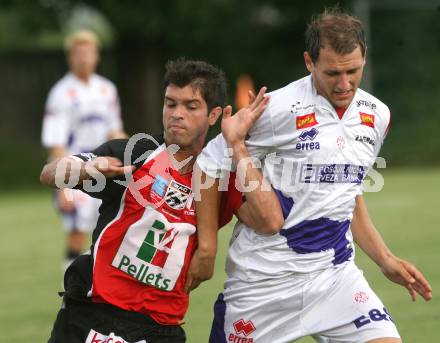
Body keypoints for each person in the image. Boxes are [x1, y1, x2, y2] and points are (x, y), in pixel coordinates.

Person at [194, 9, 433, 343]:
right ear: (309, 62)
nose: (344, 83)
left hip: (334, 276)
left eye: (353, 71)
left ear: (365, 58)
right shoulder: (275, 109)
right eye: (333, 73)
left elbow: (346, 195)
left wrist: (385, 259)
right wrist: (207, 246)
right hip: (264, 282)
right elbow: (208, 163)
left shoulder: (377, 116)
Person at [40, 58, 274, 342]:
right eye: (170, 103)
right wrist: (87, 168)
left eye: (190, 106)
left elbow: (268, 221)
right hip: (93, 311)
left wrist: (238, 146)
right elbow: (50, 174)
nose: (177, 114)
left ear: (214, 116)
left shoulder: (223, 177)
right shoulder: (136, 154)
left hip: (160, 327)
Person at [41, 30, 126, 272]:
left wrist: (133, 153)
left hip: (103, 164)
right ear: (70, 57)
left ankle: (96, 283)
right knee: (77, 230)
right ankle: (69, 286)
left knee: (107, 225)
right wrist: (62, 185)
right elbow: (56, 141)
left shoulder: (107, 89)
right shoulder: (61, 93)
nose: (84, 58)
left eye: (88, 53)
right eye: (78, 53)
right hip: (75, 165)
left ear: (97, 56)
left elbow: (114, 131)